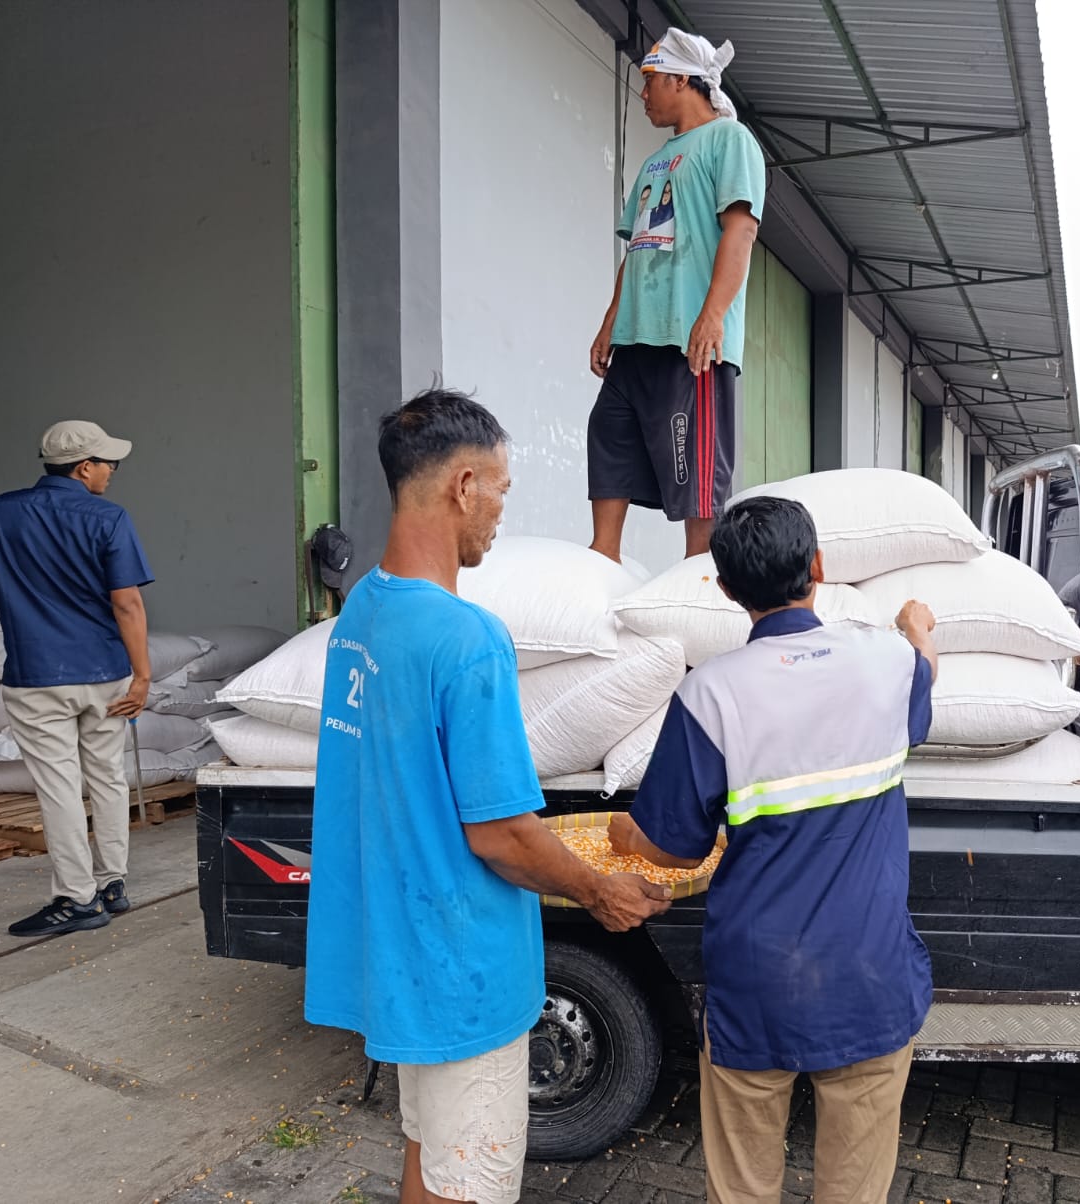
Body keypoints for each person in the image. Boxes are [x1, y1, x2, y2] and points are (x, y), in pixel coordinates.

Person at [303, 388, 673, 1204]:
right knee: (469, 1177)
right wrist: (599, 889)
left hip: (400, 948)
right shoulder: (468, 641)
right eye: (501, 490)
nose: (502, 513)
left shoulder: (363, 611)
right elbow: (501, 835)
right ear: (463, 485)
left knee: (429, 1154)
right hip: (462, 961)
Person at [609, 496, 939, 1203]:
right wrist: (917, 627)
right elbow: (924, 672)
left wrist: (624, 835)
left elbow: (671, 848)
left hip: (758, 983)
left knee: (743, 1187)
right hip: (869, 977)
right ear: (817, 567)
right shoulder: (888, 663)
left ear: (725, 589)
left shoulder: (709, 696)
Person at [0, 420, 152, 938]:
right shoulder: (108, 517)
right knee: (106, 777)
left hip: (36, 674)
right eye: (109, 463)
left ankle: (77, 899)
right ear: (84, 467)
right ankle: (111, 885)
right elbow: (126, 602)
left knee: (60, 787)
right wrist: (142, 677)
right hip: (105, 671)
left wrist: (17, 604)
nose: (113, 472)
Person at [587, 27, 765, 562]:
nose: (643, 94)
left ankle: (701, 596)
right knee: (606, 439)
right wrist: (610, 321)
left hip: (692, 346)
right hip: (637, 342)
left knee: (699, 492)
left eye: (650, 81)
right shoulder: (653, 163)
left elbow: (741, 232)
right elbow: (638, 248)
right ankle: (603, 561)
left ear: (682, 79)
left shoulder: (730, 141)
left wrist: (712, 317)